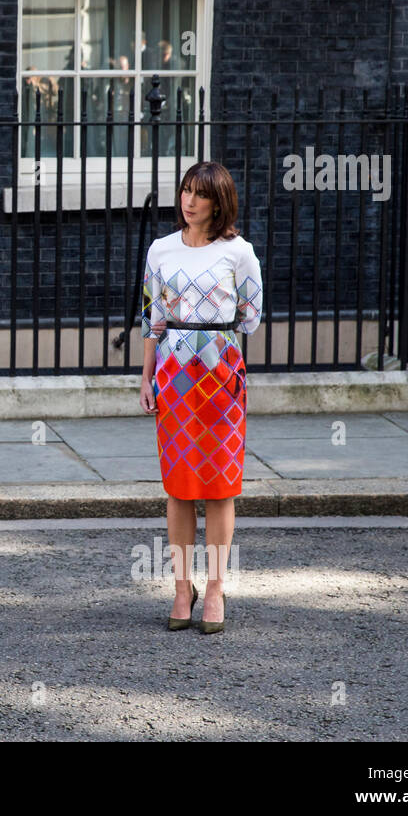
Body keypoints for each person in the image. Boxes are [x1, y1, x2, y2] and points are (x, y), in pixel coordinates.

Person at [138, 161, 263, 634]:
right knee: (179, 485)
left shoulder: (240, 253)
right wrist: (146, 376)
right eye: (185, 191)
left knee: (220, 485)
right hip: (172, 376)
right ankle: (179, 587)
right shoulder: (160, 250)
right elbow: (152, 316)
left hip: (221, 376)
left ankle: (214, 589)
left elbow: (250, 316)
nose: (188, 201)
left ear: (219, 202)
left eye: (200, 194)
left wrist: (212, 337)